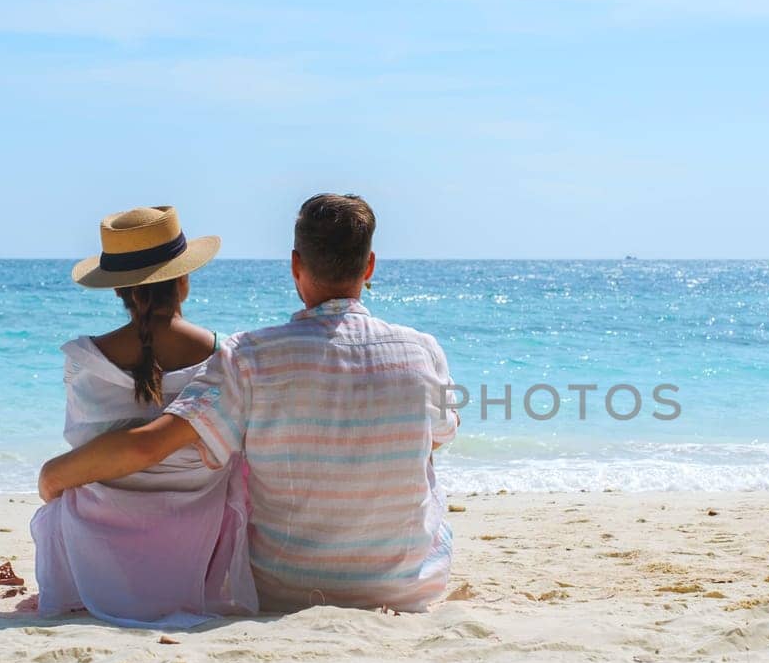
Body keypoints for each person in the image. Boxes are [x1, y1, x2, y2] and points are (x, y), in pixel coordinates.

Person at [38, 193, 458, 612]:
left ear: (296, 265)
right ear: (369, 267)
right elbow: (438, 437)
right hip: (407, 591)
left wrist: (53, 475)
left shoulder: (250, 356)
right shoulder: (424, 351)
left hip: (283, 591)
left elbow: (150, 444)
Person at [29, 205, 257, 627]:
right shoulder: (225, 358)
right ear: (183, 281)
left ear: (118, 291)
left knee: (63, 503)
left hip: (95, 547)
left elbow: (83, 447)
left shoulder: (83, 361)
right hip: (197, 542)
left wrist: (51, 478)